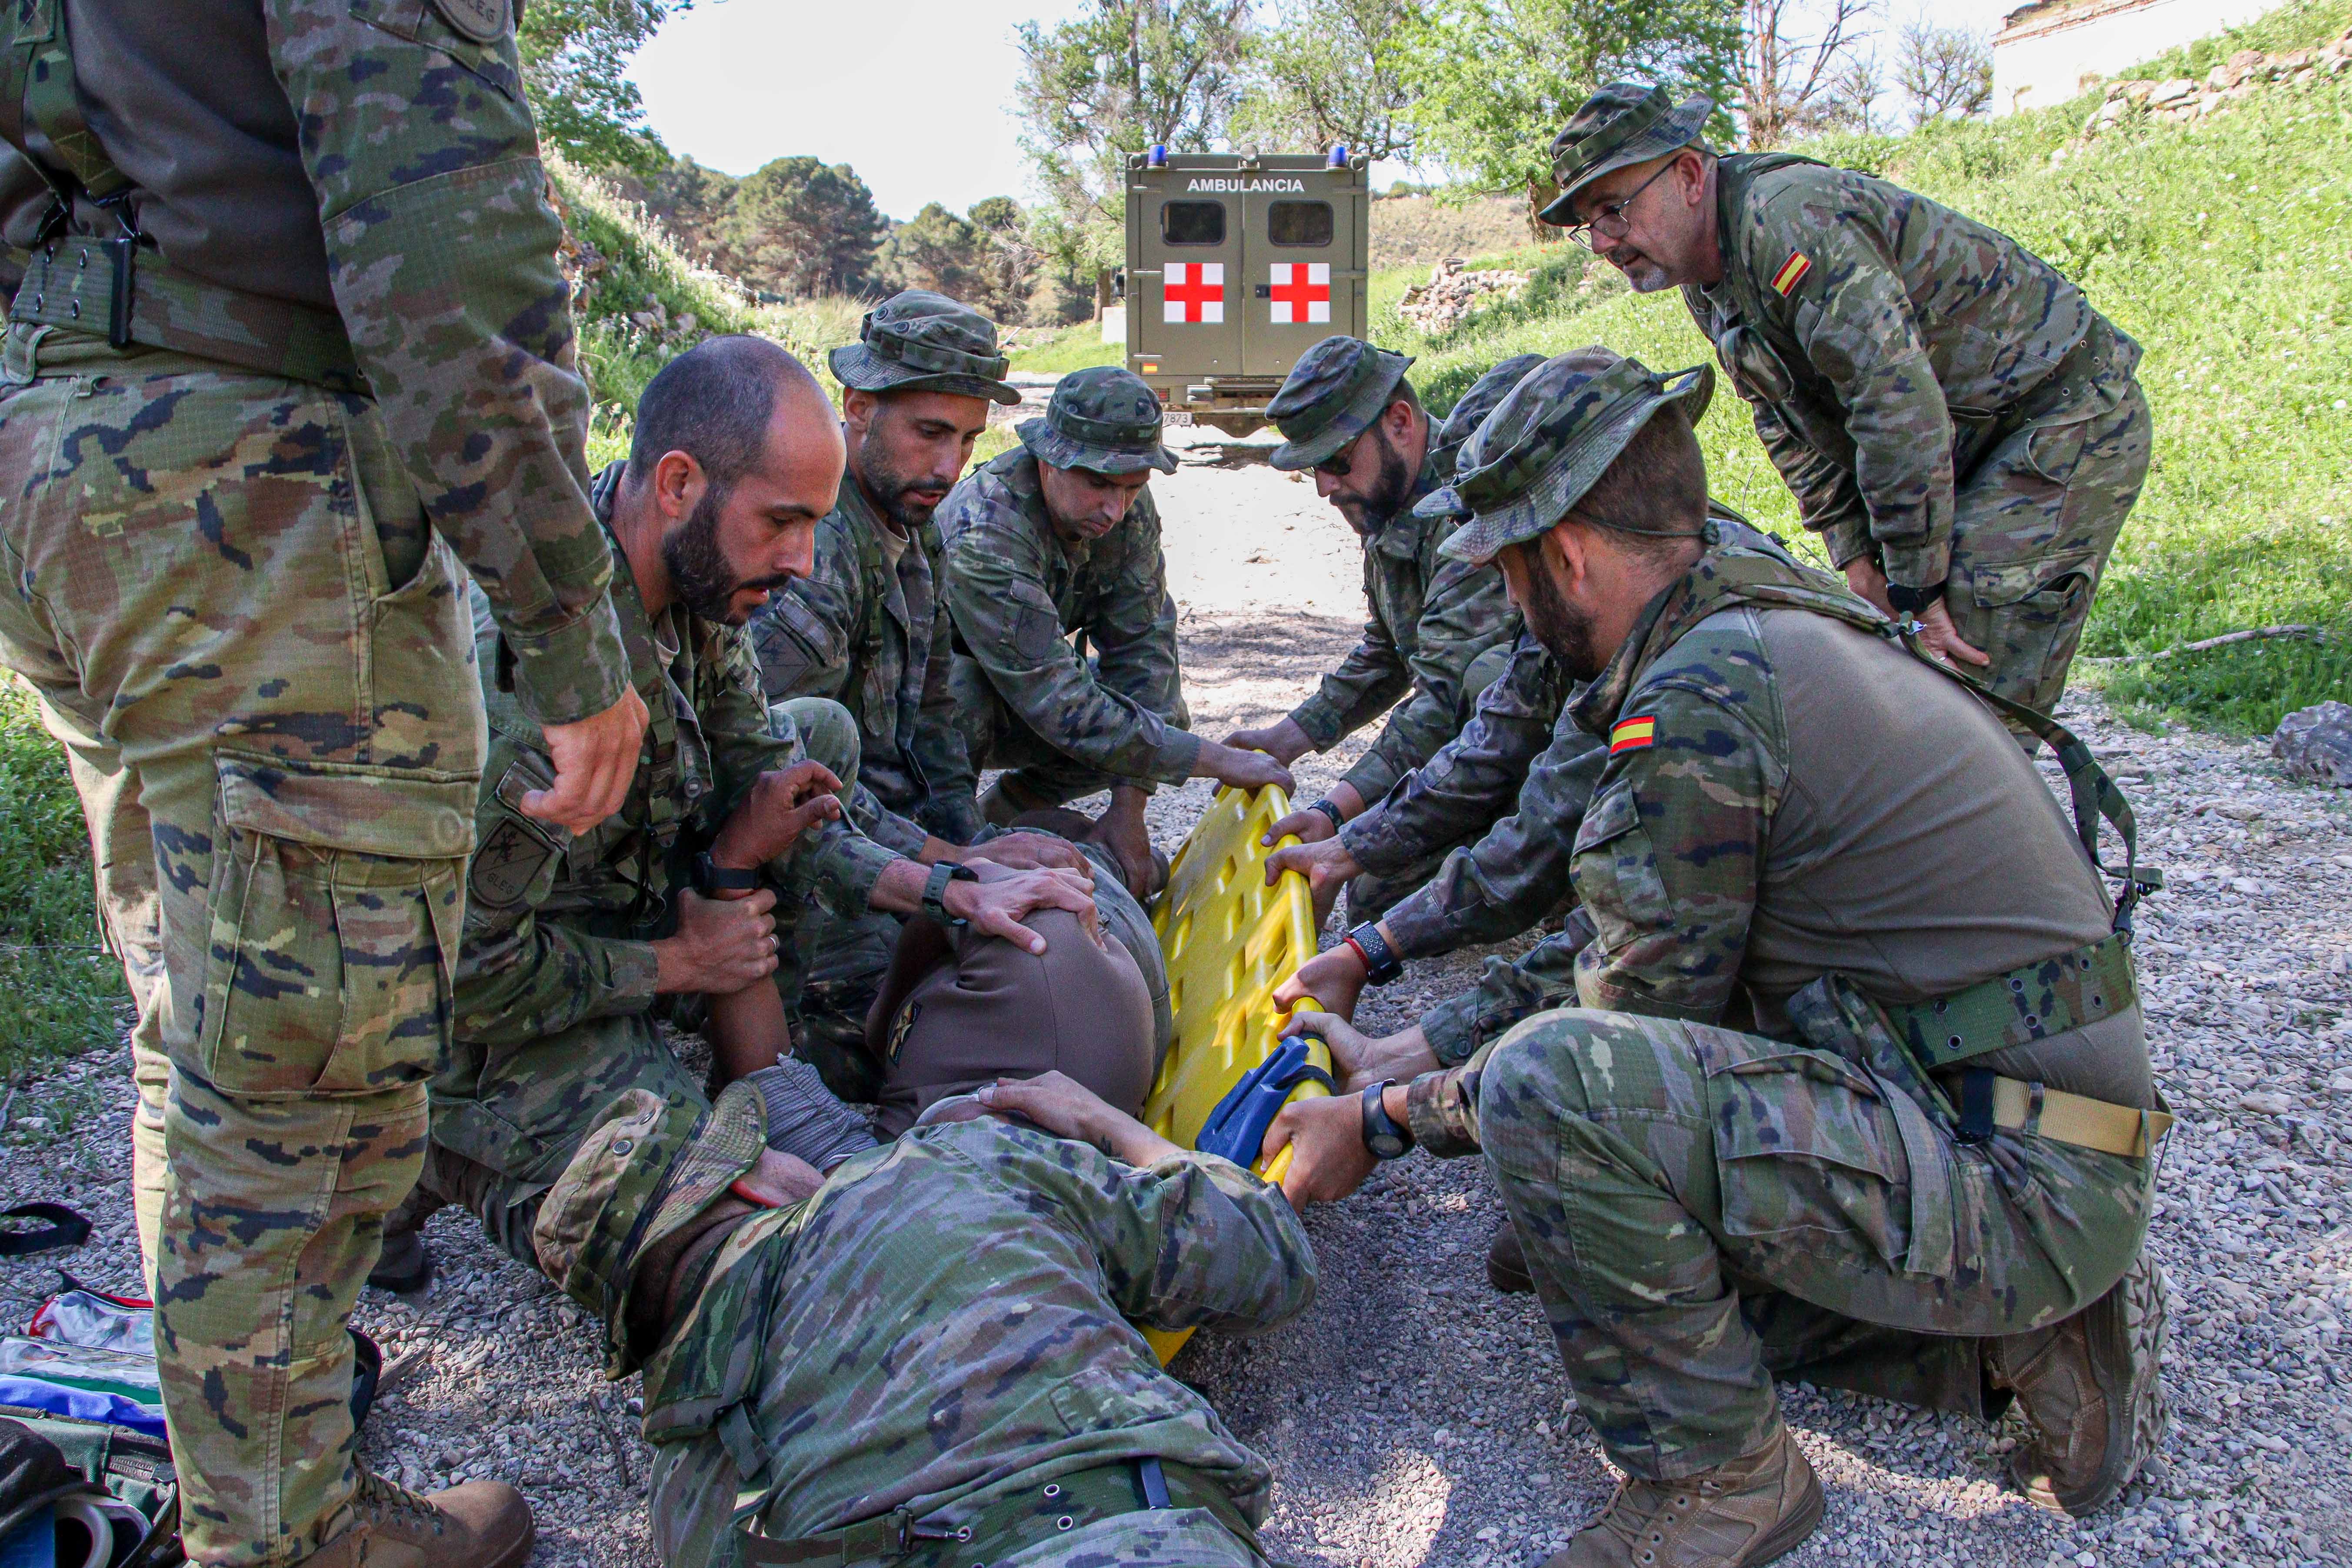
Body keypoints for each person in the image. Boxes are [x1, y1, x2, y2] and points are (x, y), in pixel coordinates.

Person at [1267, 349, 2168, 1567]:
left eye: (1513, 573)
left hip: (2021, 1171)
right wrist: (1414, 1045)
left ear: (1568, 557)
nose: (1515, 604)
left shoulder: (1699, 699)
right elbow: (1631, 925)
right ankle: (2010, 1347)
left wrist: (1377, 1119)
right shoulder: (1746, 609)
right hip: (2039, 1128)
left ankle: (1723, 1479)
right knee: (1556, 1242)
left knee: (1554, 1118)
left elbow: (1602, 1040)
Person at [0, 10, 653, 1568]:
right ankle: (283, 1538)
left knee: (201, 1028)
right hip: (251, 477)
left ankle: (272, 1490)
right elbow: (443, 238)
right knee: (302, 1072)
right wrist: (569, 628)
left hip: (60, 455)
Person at [412, 337, 1099, 1286]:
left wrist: (948, 889)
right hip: (493, 1022)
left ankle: (697, 1058)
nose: (805, 562)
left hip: (629, 930)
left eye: (815, 525)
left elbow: (773, 781)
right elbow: (460, 986)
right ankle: (413, 1156)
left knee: (810, 747)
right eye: (782, 521)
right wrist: (677, 965)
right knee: (719, 1240)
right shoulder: (532, 704)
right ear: (678, 484)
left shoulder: (693, 589)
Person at [1544, 82, 2152, 731]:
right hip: (1961, 445)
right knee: (1907, 664)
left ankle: (1996, 823)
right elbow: (1784, 420)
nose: (1605, 241)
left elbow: (1896, 409)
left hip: (2060, 414)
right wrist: (1858, 559)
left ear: (1690, 175)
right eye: (1590, 225)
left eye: (1615, 208)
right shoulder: (1705, 278)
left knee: (1973, 681)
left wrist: (1916, 589)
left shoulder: (1789, 224)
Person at [749, 291, 1092, 1092]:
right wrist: (949, 869)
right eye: (930, 433)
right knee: (869, 1054)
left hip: (875, 830)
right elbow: (771, 775)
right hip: (803, 846)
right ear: (858, 409)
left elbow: (935, 718)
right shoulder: (818, 549)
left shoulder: (914, 523)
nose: (950, 467)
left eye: (969, 439)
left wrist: (970, 841)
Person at [935, 366, 1294, 897]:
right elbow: (1059, 703)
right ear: (1049, 460)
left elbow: (1145, 647)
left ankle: (1008, 811)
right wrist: (1215, 758)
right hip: (928, 714)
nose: (1115, 508)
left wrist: (1130, 812)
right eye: (1099, 483)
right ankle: (947, 848)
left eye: (1133, 486)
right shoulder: (987, 528)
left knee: (1161, 713)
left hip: (1029, 695)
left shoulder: (1123, 509)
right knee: (960, 692)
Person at [1220, 338, 1520, 909]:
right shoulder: (1389, 499)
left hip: (1556, 729)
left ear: (1400, 424)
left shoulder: (1466, 509)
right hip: (1490, 730)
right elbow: (1387, 652)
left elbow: (1442, 699)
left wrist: (1335, 813)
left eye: (1335, 461)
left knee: (1377, 886)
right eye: (1315, 468)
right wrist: (1284, 740)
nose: (1324, 487)